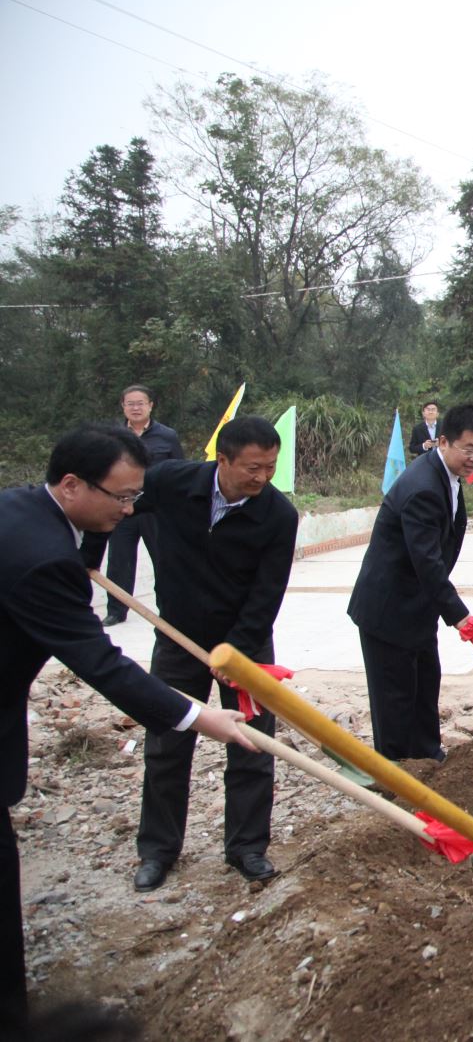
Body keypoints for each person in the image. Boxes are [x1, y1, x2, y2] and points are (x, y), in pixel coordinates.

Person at [0, 425, 254, 1032]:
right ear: (70, 485)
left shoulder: (20, 508)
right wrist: (197, 715)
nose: (128, 509)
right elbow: (100, 663)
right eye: (119, 497)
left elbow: (81, 553)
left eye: (134, 496)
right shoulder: (41, 560)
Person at [82, 417, 298, 891]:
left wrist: (235, 656)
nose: (261, 477)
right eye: (252, 468)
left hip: (245, 647)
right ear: (221, 460)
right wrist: (89, 555)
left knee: (252, 746)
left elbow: (267, 594)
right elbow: (114, 507)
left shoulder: (278, 515)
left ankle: (246, 848)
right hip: (178, 638)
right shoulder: (171, 482)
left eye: (270, 467)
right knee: (167, 743)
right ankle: (158, 850)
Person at [349, 404, 473, 761]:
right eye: (468, 449)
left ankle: (428, 761)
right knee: (395, 700)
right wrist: (460, 616)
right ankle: (396, 778)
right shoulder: (424, 488)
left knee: (424, 688)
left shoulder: (446, 477)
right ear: (443, 441)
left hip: (417, 606)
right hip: (389, 610)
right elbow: (426, 561)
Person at [96, 384, 184, 625]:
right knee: (119, 560)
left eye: (140, 403)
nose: (136, 408)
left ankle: (168, 609)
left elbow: (178, 472)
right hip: (122, 507)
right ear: (123, 406)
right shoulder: (112, 436)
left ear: (150, 406)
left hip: (155, 508)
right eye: (130, 404)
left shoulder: (167, 436)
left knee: (163, 559)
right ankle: (116, 611)